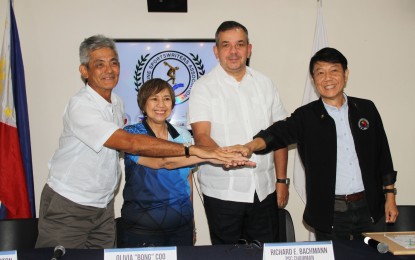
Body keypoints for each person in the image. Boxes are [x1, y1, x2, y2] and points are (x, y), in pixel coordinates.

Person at [35, 35, 250, 249]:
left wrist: (216, 154)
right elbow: (135, 145)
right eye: (99, 64)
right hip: (70, 203)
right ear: (84, 71)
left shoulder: (116, 103)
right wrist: (202, 151)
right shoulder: (81, 106)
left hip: (103, 205)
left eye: (114, 63)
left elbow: (183, 173)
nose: (109, 70)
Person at [231, 47, 398, 241]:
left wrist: (390, 197)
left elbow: (383, 155)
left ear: (346, 74)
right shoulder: (306, 116)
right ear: (313, 79)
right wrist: (250, 146)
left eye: (334, 70)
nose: (327, 78)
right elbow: (277, 134)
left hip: (370, 206)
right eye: (320, 72)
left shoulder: (366, 109)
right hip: (331, 212)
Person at [187, 21, 289, 245]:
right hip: (223, 193)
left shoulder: (266, 84)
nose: (233, 52)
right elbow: (201, 135)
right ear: (216, 51)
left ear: (249, 49)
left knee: (266, 254)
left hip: (265, 191)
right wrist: (225, 157)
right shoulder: (203, 87)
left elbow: (280, 134)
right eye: (226, 45)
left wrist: (282, 180)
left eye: (239, 44)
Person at [118, 78, 226, 247]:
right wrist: (213, 154)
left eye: (166, 99)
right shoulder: (132, 135)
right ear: (143, 103)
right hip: (141, 229)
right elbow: (162, 162)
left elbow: (188, 181)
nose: (161, 105)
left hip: (180, 228)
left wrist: (192, 225)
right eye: (154, 99)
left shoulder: (183, 135)